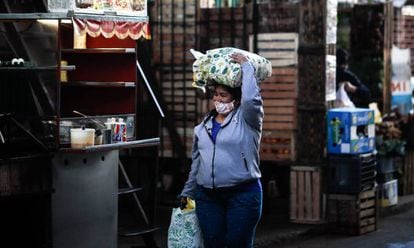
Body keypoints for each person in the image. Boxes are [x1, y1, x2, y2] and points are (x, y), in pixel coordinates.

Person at [179, 52, 263, 248]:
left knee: (237, 244)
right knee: (212, 242)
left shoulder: (247, 120)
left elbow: (252, 100)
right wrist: (187, 192)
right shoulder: (203, 127)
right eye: (215, 94)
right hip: (208, 197)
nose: (218, 99)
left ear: (235, 99)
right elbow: (197, 163)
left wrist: (246, 66)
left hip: (242, 195)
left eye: (223, 95)